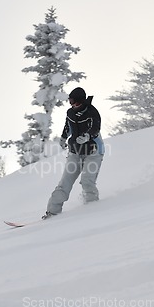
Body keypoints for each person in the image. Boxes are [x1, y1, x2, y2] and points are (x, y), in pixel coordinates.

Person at [42, 87, 105, 220]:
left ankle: (93, 209)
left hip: (93, 152)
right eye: (70, 102)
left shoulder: (92, 112)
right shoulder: (70, 113)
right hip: (75, 152)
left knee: (87, 181)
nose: (73, 105)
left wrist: (88, 136)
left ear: (82, 102)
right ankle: (52, 212)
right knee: (64, 183)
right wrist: (64, 137)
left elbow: (95, 128)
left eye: (75, 103)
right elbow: (67, 127)